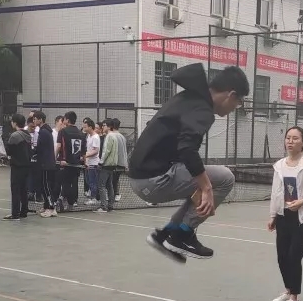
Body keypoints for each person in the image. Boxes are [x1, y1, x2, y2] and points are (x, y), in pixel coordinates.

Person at [130, 64, 248, 261]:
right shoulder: (203, 109)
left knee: (200, 181)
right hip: (154, 179)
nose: (235, 108)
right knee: (225, 178)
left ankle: (166, 234)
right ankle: (182, 234)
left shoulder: (187, 98)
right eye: (238, 103)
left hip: (142, 175)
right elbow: (187, 148)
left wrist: (202, 183)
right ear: (231, 95)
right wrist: (207, 187)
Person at [268, 126, 303, 301]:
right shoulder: (279, 165)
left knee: (294, 257)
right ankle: (288, 290)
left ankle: (294, 299)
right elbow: (275, 192)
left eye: (295, 138)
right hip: (283, 216)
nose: (290, 141)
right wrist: (273, 215)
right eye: (288, 138)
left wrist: (302, 201)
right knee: (282, 257)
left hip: (301, 218)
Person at [4, 113, 32, 220]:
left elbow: (9, 150)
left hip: (17, 166)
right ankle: (24, 211)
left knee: (15, 190)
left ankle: (15, 214)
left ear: (15, 123)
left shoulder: (15, 136)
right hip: (26, 166)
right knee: (24, 189)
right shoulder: (27, 135)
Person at [32, 110, 58, 217]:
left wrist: (31, 151)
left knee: (46, 187)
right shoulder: (45, 131)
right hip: (46, 163)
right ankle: (46, 206)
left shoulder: (43, 132)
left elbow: (40, 148)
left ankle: (51, 208)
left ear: (40, 120)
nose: (33, 121)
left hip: (46, 164)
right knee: (43, 186)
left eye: (35, 119)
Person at [57, 113, 85, 211]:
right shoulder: (81, 133)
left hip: (65, 163)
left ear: (67, 120)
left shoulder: (63, 131)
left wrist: (54, 158)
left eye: (64, 119)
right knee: (73, 183)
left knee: (65, 183)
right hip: (77, 164)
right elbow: (83, 151)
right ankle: (70, 204)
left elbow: (59, 146)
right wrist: (85, 162)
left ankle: (61, 198)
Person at [99, 119, 128, 212]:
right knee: (110, 185)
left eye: (104, 125)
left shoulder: (109, 136)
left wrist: (101, 161)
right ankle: (110, 205)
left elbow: (106, 151)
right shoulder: (117, 136)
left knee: (102, 185)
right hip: (114, 165)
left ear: (109, 126)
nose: (102, 127)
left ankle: (104, 206)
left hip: (108, 164)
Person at [83, 119, 101, 204]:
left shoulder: (95, 137)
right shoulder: (88, 136)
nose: (84, 128)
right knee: (89, 181)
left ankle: (94, 198)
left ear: (90, 127)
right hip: (88, 163)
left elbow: (96, 151)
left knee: (93, 182)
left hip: (94, 164)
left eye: (85, 127)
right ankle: (93, 197)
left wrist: (85, 155)